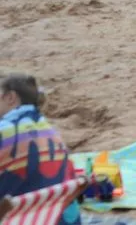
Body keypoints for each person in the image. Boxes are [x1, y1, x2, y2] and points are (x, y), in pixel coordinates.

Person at [0, 73, 79, 218]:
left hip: (13, 218)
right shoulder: (51, 131)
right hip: (53, 218)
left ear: (10, 97)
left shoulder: (4, 131)